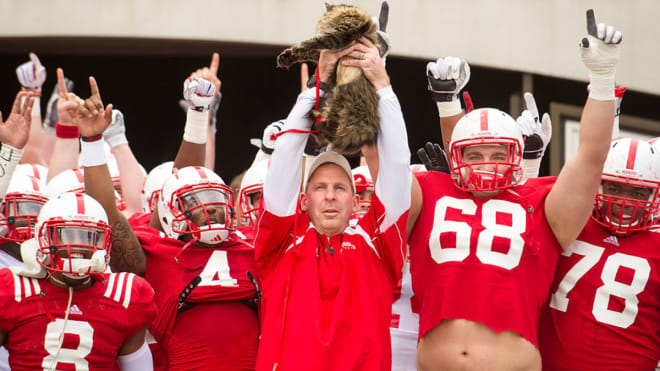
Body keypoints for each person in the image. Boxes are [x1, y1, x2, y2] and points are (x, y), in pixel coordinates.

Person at [407, 9, 622, 370]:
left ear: (518, 155)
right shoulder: (431, 189)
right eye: (474, 155)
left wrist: (602, 79)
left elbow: (590, 158)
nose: (486, 163)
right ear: (455, 156)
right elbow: (384, 158)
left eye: (498, 153)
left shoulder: (541, 203)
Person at [75, 60, 260, 370]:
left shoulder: (254, 243)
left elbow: (189, 176)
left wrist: (199, 113)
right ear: (166, 210)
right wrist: (93, 141)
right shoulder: (156, 252)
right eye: (195, 201)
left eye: (215, 199)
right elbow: (105, 212)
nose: (210, 207)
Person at [254, 36, 411, 370]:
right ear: (303, 200)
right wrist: (316, 87)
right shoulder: (280, 246)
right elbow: (283, 163)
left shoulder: (380, 245)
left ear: (356, 202)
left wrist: (382, 86)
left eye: (340, 188)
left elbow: (397, 166)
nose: (329, 196)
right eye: (320, 187)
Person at [539, 138, 660, 370]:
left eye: (637, 192)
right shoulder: (568, 220)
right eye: (614, 188)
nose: (623, 202)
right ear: (599, 185)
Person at [0, 192, 156, 370]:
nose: (78, 247)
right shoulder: (13, 289)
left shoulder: (125, 295)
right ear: (42, 237)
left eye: (89, 236)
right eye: (66, 235)